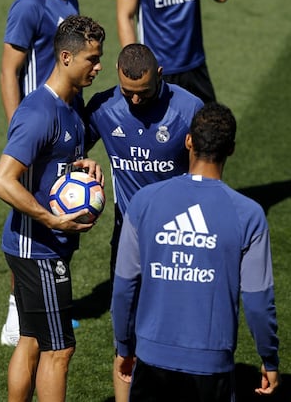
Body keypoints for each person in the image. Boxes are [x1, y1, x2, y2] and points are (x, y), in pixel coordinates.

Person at [111, 102, 281, 402]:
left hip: (151, 359)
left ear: (188, 140)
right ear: (231, 149)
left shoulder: (144, 201)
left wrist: (124, 347)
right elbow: (257, 301)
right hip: (211, 365)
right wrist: (269, 358)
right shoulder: (249, 214)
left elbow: (125, 285)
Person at [0, 15, 106, 402]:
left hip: (38, 246)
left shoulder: (72, 105)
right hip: (38, 249)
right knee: (59, 349)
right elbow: (2, 181)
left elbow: (51, 164)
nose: (99, 66)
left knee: (32, 340)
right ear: (67, 57)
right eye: (92, 59)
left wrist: (79, 166)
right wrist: (50, 218)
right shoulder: (40, 111)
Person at [84, 43, 203, 401]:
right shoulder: (104, 108)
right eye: (127, 93)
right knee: (126, 340)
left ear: (161, 76)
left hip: (177, 241)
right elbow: (70, 150)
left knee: (177, 335)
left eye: (144, 93)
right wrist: (82, 165)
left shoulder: (188, 109)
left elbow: (205, 179)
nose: (135, 101)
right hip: (128, 240)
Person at [0, 0, 87, 346]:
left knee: (47, 212)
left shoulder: (69, 2)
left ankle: (37, 309)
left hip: (61, 124)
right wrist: (19, 127)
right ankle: (17, 314)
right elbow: (8, 70)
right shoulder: (29, 5)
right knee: (29, 215)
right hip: (39, 127)